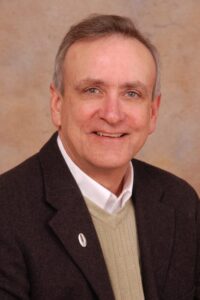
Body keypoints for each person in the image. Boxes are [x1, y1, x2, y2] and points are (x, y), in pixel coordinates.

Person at [0, 14, 199, 300]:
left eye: (132, 93)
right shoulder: (7, 211)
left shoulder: (180, 203)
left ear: (153, 113)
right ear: (58, 104)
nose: (112, 114)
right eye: (93, 90)